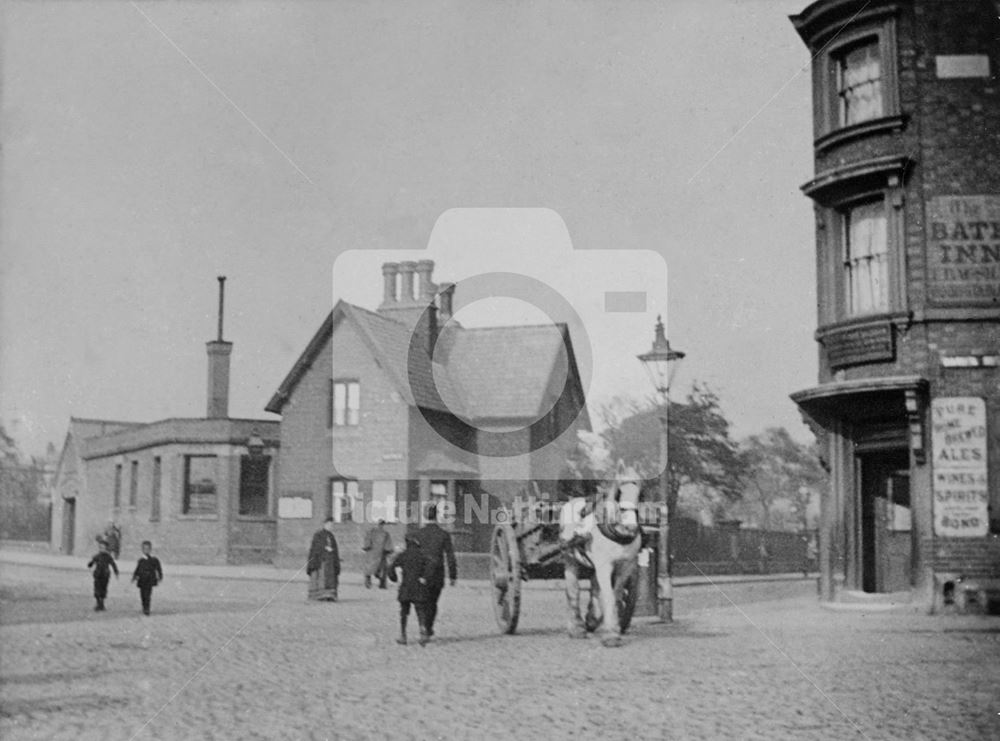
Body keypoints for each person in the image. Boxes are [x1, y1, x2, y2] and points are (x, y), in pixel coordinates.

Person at [415, 504, 457, 640]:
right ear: (436, 515)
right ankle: (428, 628)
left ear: (425, 515)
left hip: (420, 573)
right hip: (436, 574)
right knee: (432, 602)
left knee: (421, 602)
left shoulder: (418, 534)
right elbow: (450, 556)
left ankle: (422, 625)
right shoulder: (443, 534)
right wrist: (453, 575)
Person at [390, 535, 429, 645]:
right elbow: (431, 567)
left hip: (406, 586)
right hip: (418, 586)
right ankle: (422, 630)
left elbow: (391, 568)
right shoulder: (422, 555)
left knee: (403, 612)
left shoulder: (403, 555)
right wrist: (425, 578)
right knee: (420, 610)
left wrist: (394, 578)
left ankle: (403, 635)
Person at [306, 517, 340, 601]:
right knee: (321, 577)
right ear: (325, 524)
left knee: (330, 578)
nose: (331, 526)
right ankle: (319, 595)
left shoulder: (331, 536)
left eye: (332, 525)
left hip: (330, 561)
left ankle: (329, 595)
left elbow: (335, 548)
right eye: (329, 525)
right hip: (321, 561)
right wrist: (325, 548)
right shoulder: (318, 535)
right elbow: (316, 547)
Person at [131, 540, 164, 616]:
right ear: (142, 550)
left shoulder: (154, 560)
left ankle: (147, 608)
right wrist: (134, 577)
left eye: (148, 549)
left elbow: (158, 569)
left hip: (149, 580)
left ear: (150, 549)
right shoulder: (141, 560)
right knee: (142, 594)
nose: (146, 550)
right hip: (142, 580)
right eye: (145, 549)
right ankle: (144, 606)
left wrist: (160, 576)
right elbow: (137, 569)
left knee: (148, 594)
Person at [362, 519, 394, 589]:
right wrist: (388, 550)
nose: (381, 526)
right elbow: (388, 545)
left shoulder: (371, 532)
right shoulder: (384, 533)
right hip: (380, 554)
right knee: (382, 568)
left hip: (372, 554)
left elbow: (366, 543)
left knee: (370, 568)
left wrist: (366, 547)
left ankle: (369, 581)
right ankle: (381, 584)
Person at [87, 540, 118, 611]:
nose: (102, 549)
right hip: (97, 575)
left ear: (106, 549)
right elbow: (92, 562)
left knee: (103, 590)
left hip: (105, 575)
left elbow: (113, 564)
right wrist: (90, 564)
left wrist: (116, 571)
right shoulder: (97, 556)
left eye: (103, 548)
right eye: (100, 548)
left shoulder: (108, 557)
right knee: (97, 589)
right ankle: (98, 603)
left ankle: (102, 603)